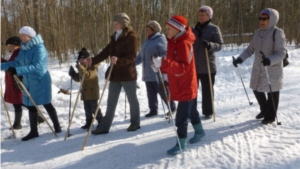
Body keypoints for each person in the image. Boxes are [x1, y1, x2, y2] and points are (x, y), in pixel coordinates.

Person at [152, 15, 205, 156]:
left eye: (169, 28)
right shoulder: (173, 41)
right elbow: (172, 64)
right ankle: (199, 131)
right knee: (191, 109)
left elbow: (183, 67)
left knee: (181, 117)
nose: (166, 31)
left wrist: (163, 63)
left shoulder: (184, 43)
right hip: (179, 83)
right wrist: (159, 66)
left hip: (187, 84)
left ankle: (181, 143)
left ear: (177, 29)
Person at [1, 26, 61, 141]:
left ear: (30, 36)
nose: (21, 38)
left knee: (46, 103)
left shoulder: (39, 48)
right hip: (28, 81)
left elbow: (38, 67)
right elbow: (16, 62)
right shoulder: (24, 49)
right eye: (20, 35)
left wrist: (18, 70)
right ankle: (34, 131)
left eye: (23, 35)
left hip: (40, 80)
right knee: (30, 105)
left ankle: (57, 126)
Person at [89, 13, 140, 134]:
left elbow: (132, 56)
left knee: (132, 100)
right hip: (115, 74)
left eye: (116, 23)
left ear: (123, 24)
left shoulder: (131, 36)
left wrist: (119, 61)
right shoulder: (114, 37)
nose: (114, 25)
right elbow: (105, 52)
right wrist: (92, 60)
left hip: (127, 74)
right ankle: (105, 127)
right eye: (114, 23)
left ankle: (135, 123)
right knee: (111, 101)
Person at [232, 8, 286, 124]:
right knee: (256, 88)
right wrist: (240, 59)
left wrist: (269, 60)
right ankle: (264, 109)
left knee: (272, 91)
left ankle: (270, 116)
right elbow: (250, 49)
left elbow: (281, 53)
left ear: (271, 20)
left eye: (265, 18)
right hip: (258, 66)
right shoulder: (257, 33)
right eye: (260, 18)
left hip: (272, 68)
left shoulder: (277, 33)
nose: (261, 21)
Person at [135, 20, 176, 117]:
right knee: (151, 93)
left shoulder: (160, 39)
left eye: (149, 29)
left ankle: (172, 107)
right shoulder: (147, 41)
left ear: (154, 30)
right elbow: (141, 56)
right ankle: (153, 110)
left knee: (163, 92)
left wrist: (158, 60)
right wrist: (131, 63)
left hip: (158, 72)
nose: (147, 31)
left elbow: (165, 53)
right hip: (148, 72)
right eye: (147, 29)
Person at [192, 6, 223, 119]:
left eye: (202, 14)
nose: (200, 17)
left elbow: (220, 45)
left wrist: (210, 45)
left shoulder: (214, 29)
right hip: (194, 66)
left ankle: (208, 111)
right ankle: (192, 110)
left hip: (208, 65)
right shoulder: (193, 29)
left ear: (209, 16)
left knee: (207, 91)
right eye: (199, 14)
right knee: (192, 90)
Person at [68, 48, 103, 130]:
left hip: (93, 92)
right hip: (85, 92)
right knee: (87, 109)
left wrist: (80, 68)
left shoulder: (93, 67)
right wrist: (73, 74)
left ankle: (101, 121)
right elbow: (80, 78)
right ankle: (89, 122)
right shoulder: (82, 68)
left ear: (88, 59)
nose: (82, 61)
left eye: (84, 59)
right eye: (80, 59)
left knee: (94, 108)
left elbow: (86, 76)